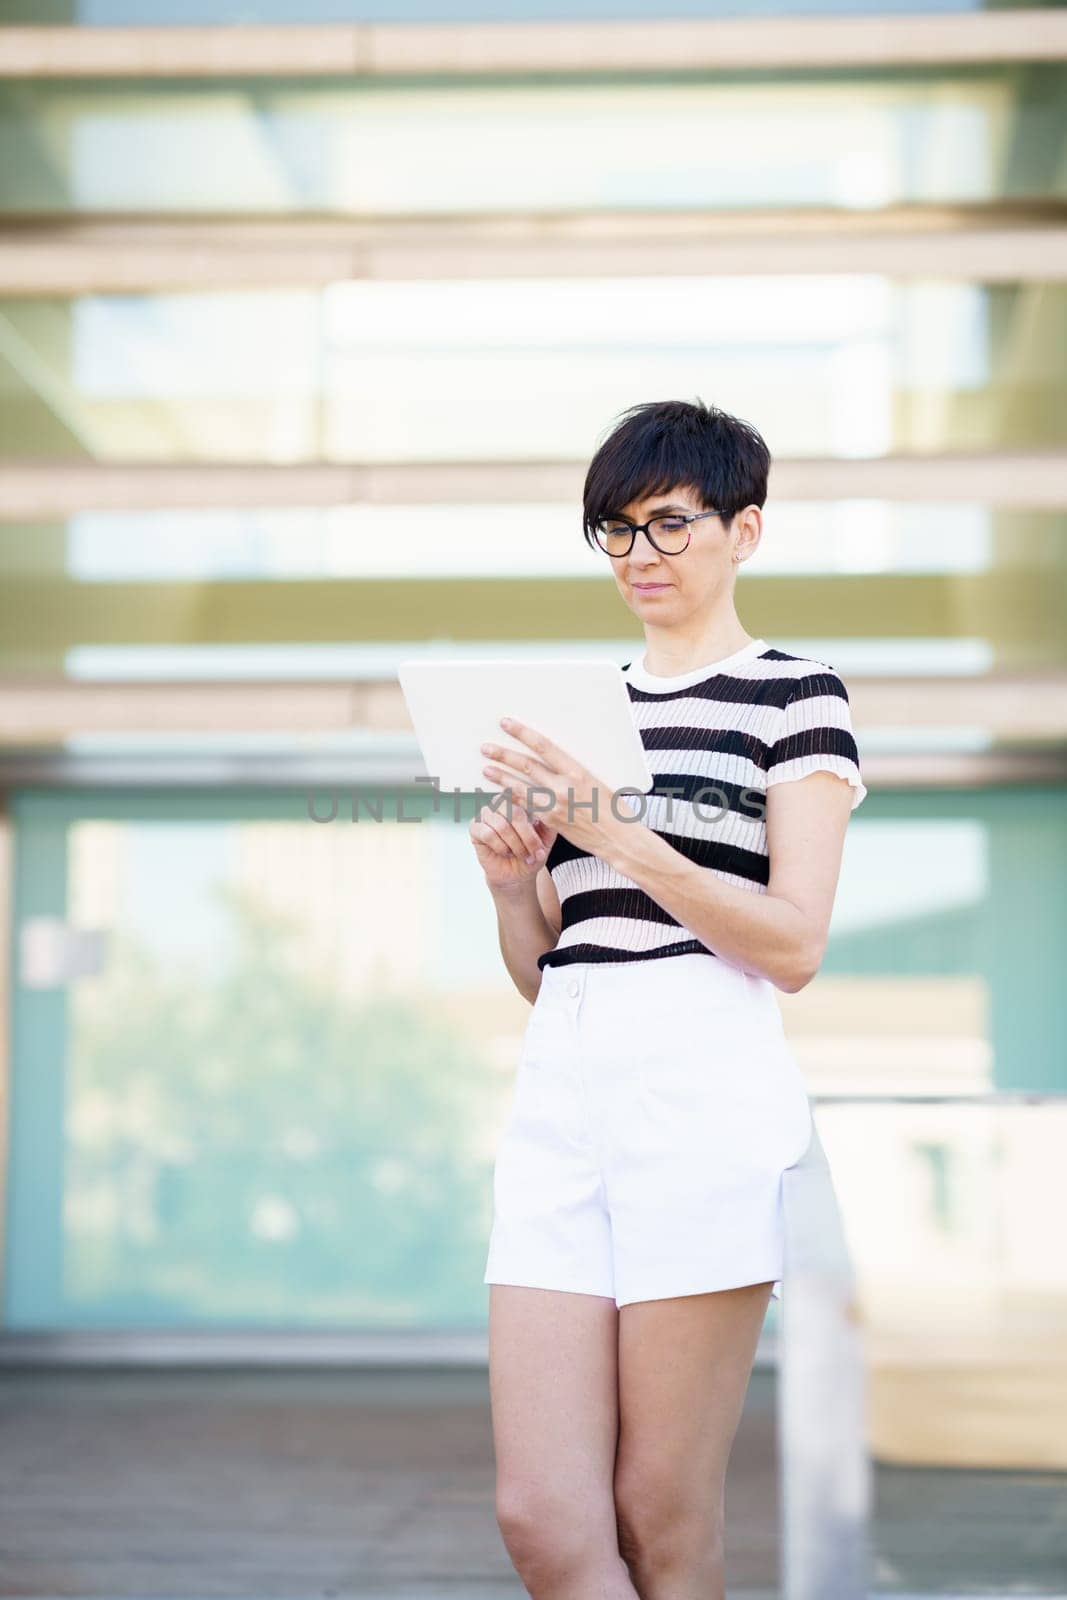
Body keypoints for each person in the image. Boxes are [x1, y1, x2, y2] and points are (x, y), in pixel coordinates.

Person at [469, 397, 866, 1600]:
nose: (639, 556)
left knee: (659, 1509)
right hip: (564, 1091)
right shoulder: (577, 717)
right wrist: (506, 890)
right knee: (539, 1513)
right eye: (615, 532)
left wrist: (622, 834)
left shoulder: (794, 692)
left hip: (702, 1090)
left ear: (743, 529)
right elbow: (552, 968)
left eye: (667, 525)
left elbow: (791, 945)